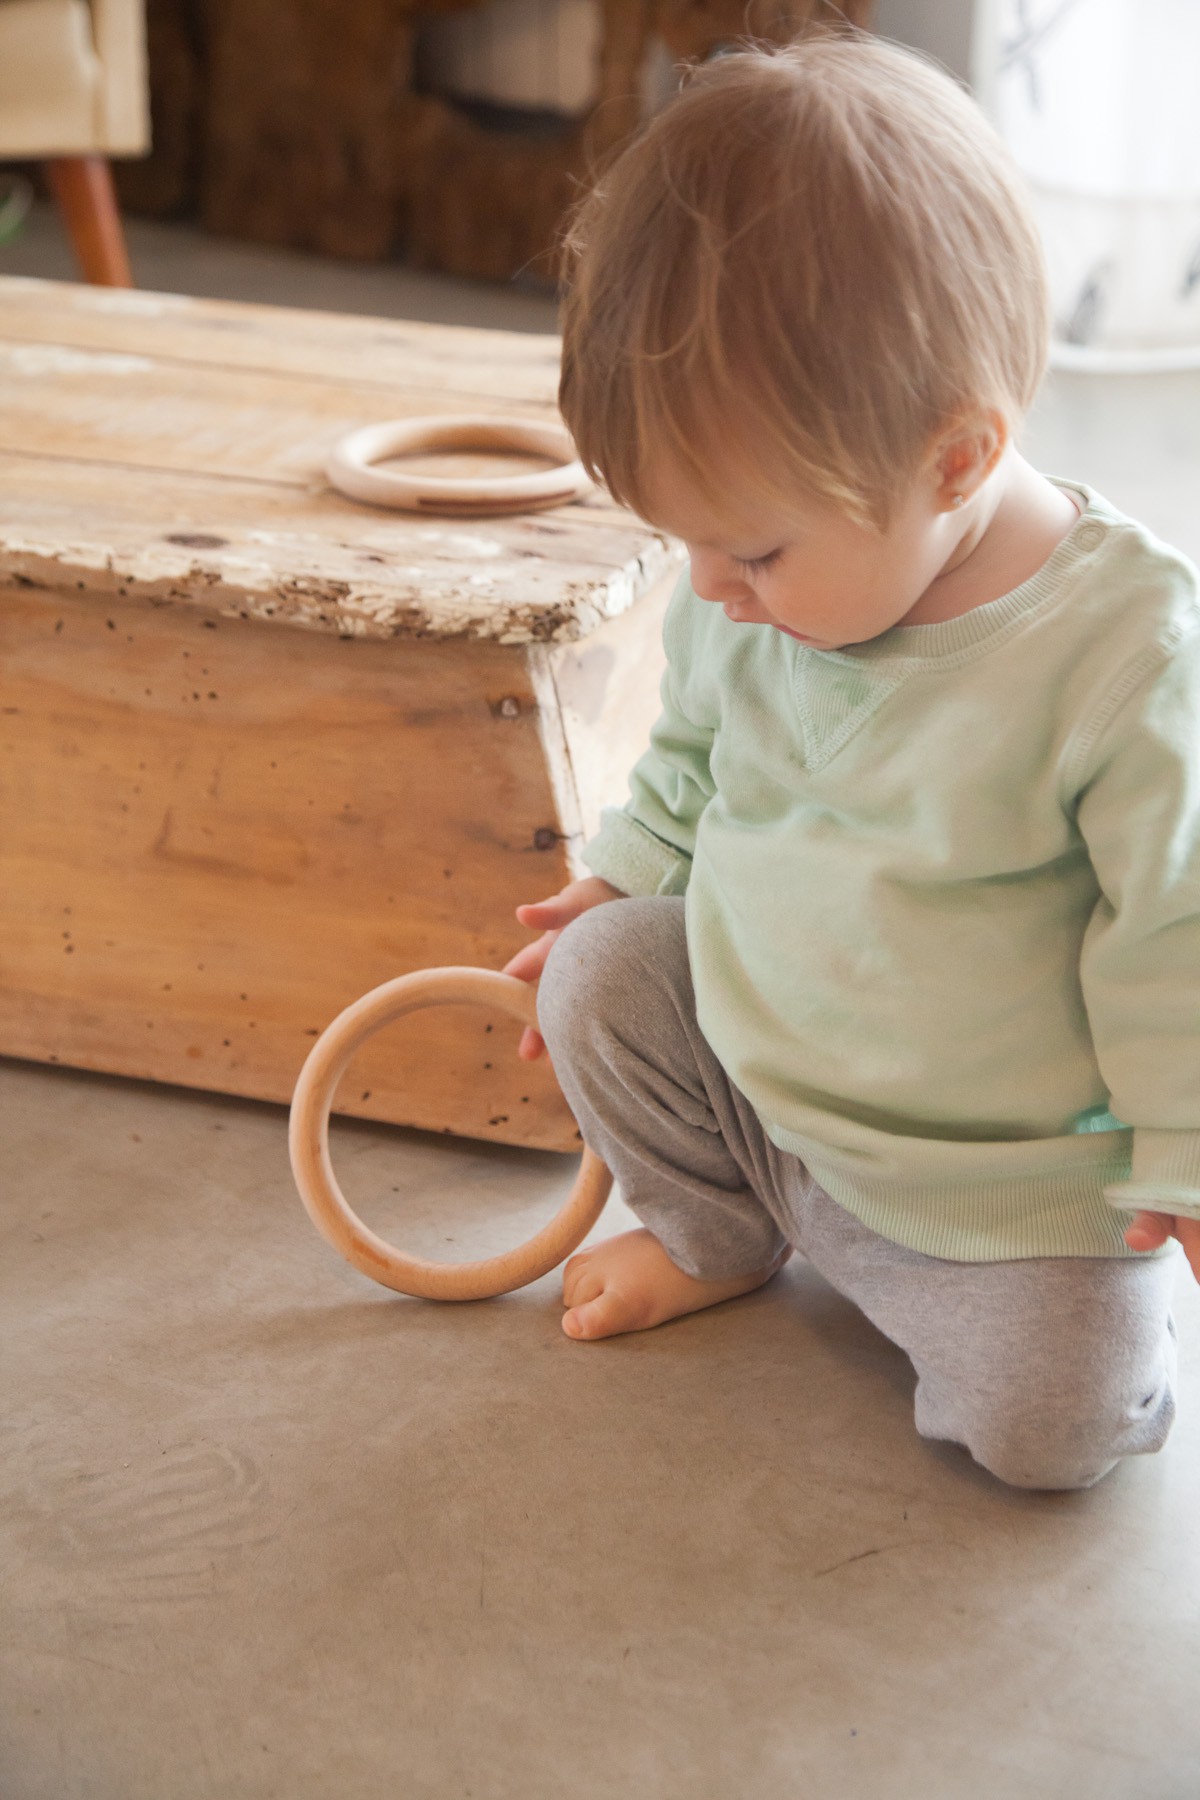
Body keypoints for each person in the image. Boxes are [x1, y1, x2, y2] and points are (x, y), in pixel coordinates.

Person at [502, 32, 1200, 1490]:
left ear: (956, 461)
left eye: (752, 550)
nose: (711, 589)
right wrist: (620, 878)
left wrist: (1185, 1146)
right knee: (601, 976)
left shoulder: (1125, 653)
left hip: (999, 1191)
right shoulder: (751, 588)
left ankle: (938, 1294)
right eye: (687, 543)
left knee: (1055, 1433)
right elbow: (692, 748)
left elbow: (1177, 928)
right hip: (771, 1098)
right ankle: (724, 1230)